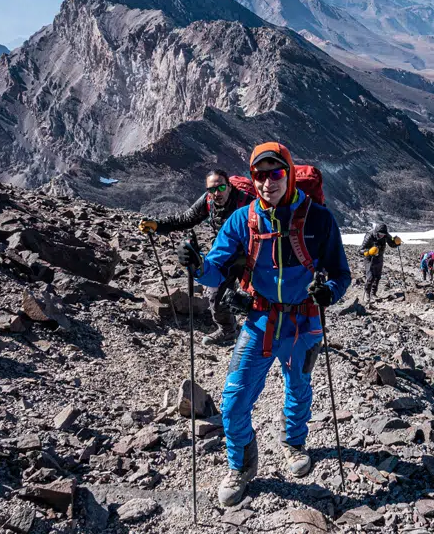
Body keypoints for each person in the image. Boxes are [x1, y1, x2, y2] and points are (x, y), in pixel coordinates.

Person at [176, 142, 351, 508]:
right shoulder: (243, 220)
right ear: (252, 179)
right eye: (260, 175)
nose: (268, 182)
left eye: (275, 173)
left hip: (305, 319)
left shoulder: (319, 218)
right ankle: (241, 465)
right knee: (233, 399)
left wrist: (328, 293)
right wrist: (195, 265)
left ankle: (293, 443)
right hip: (261, 318)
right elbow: (215, 270)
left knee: (299, 386)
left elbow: (340, 273)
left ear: (288, 173)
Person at [138, 169, 254, 345]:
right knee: (215, 295)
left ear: (229, 186)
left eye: (221, 187)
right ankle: (228, 331)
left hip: (252, 255)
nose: (217, 193)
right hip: (226, 254)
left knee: (257, 296)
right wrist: (158, 225)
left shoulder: (248, 203)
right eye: (212, 189)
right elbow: (187, 218)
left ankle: (265, 336)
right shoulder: (208, 201)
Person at [358, 222, 401, 305]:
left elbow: (391, 244)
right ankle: (367, 294)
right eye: (380, 234)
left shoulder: (385, 234)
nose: (382, 236)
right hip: (369, 258)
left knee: (377, 276)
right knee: (370, 276)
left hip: (379, 257)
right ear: (376, 232)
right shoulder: (369, 235)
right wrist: (368, 252)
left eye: (383, 234)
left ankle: (373, 294)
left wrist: (396, 242)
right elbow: (360, 250)